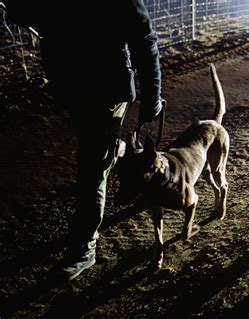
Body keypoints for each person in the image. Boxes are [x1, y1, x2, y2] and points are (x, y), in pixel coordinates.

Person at [4, 0, 164, 279]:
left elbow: (144, 40)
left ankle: (84, 247)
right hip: (73, 88)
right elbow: (24, 12)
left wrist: (152, 96)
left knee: (91, 167)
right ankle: (121, 151)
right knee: (99, 152)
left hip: (107, 91)